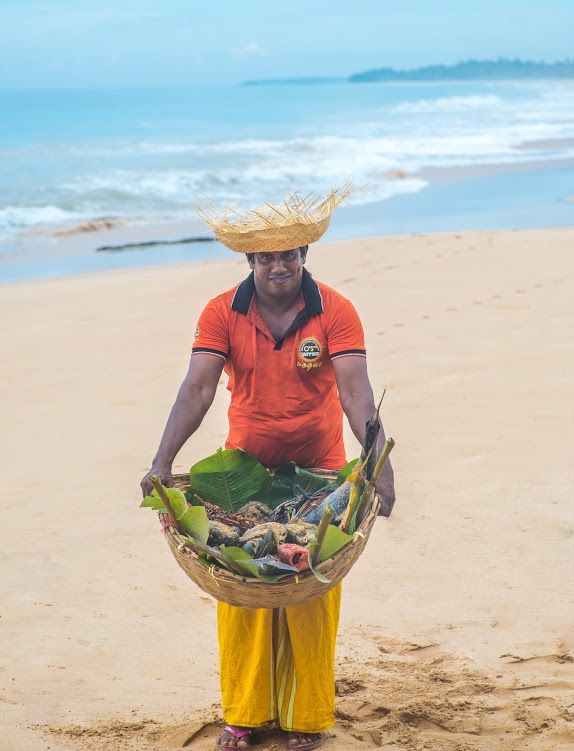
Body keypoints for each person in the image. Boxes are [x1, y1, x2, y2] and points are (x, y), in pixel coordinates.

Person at [141, 187, 395, 751]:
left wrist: (379, 463)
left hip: (320, 470)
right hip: (244, 470)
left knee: (310, 591)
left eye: (288, 256)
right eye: (265, 258)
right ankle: (246, 714)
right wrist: (162, 461)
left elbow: (356, 392)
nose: (278, 267)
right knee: (242, 591)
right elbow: (198, 388)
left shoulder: (335, 310)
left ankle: (307, 717)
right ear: (250, 261)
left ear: (304, 254)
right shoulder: (221, 312)